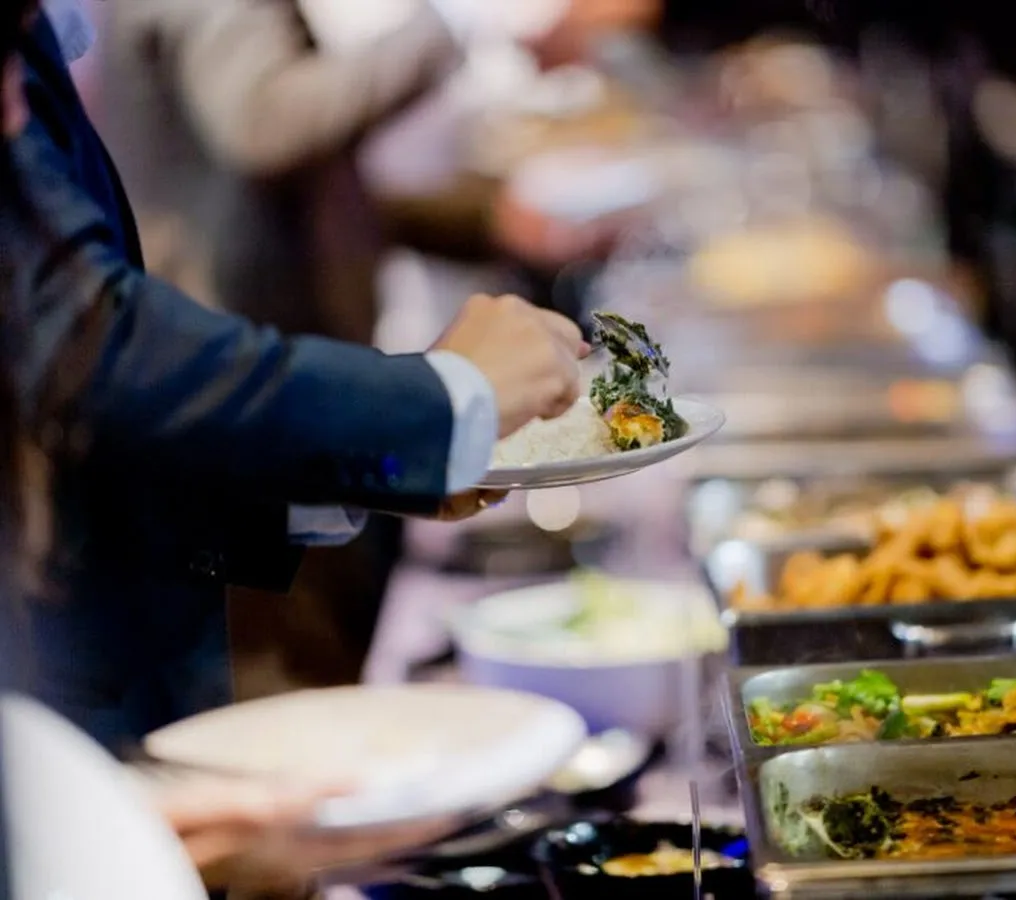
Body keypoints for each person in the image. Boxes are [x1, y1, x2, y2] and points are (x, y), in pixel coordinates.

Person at [2, 2, 588, 758]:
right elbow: (88, 344)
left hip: (195, 496)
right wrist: (437, 403)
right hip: (71, 697)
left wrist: (376, 453)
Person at [95, 0, 660, 693]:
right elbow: (264, 124)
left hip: (287, 402)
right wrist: (462, 19)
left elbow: (309, 188)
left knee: (340, 635)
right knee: (287, 674)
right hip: (247, 405)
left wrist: (484, 219)